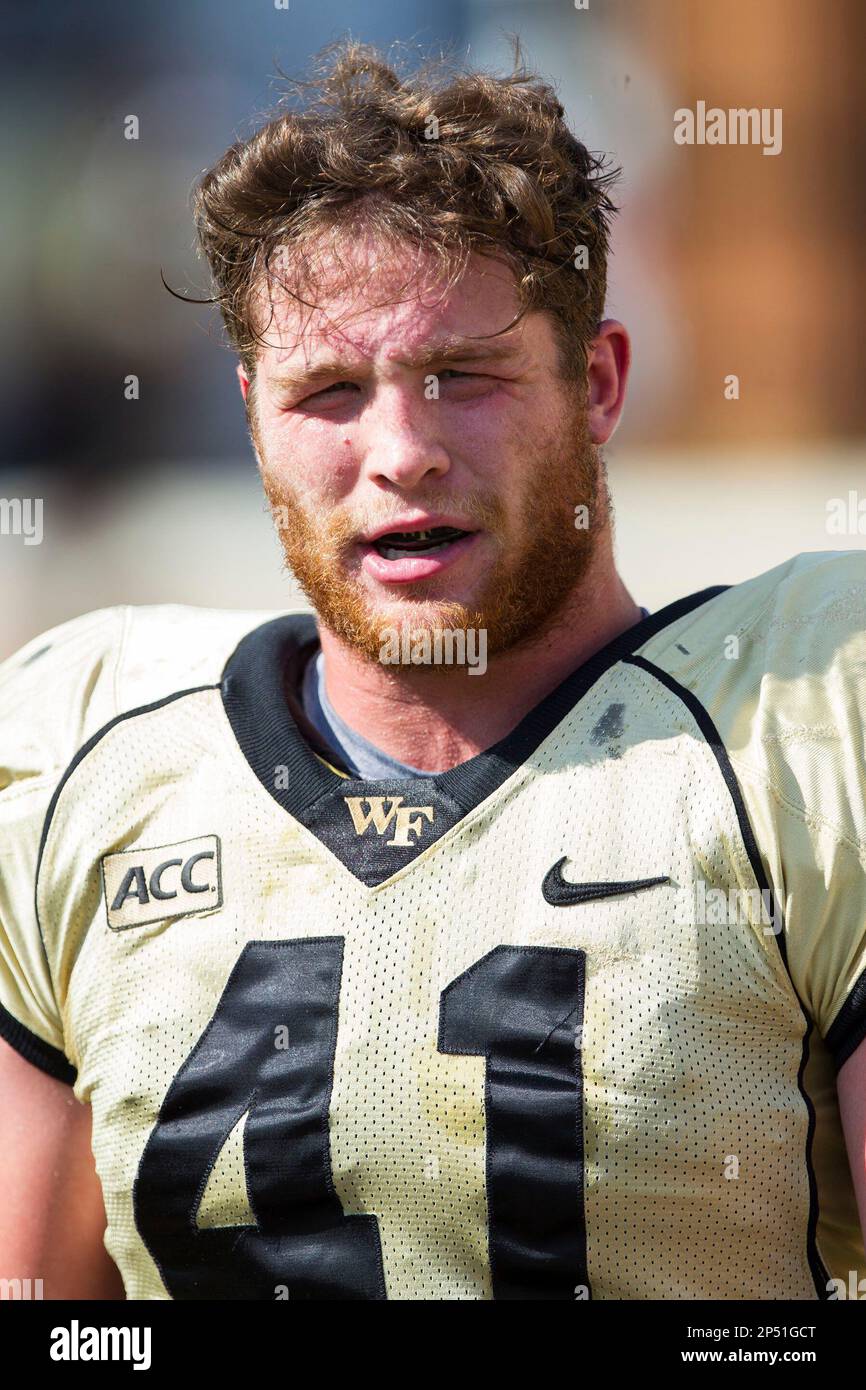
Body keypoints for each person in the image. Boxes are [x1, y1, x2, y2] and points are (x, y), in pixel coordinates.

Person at [1, 40, 864, 1301]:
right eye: (329, 392)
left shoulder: (794, 726)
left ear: (598, 383)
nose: (399, 450)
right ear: (251, 419)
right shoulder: (89, 756)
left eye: (462, 377)